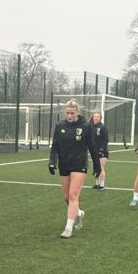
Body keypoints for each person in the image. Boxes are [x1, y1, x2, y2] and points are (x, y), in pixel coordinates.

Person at [48, 98, 101, 239]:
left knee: (72, 195)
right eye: (67, 113)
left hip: (79, 164)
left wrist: (97, 165)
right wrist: (52, 162)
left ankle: (68, 228)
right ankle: (78, 213)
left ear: (77, 112)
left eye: (72, 113)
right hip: (65, 164)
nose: (69, 116)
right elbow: (55, 146)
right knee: (66, 197)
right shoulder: (60, 126)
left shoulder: (86, 126)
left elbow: (93, 147)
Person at [90, 112, 109, 190]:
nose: (96, 118)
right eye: (95, 117)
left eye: (97, 117)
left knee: (101, 167)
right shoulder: (90, 127)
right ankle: (97, 184)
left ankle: (102, 185)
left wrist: (101, 149)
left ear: (100, 118)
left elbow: (106, 140)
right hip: (94, 150)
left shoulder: (103, 127)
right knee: (96, 167)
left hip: (103, 151)